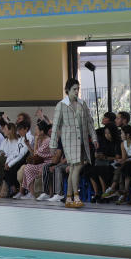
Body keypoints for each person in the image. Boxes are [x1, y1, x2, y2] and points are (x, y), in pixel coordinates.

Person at [50, 78, 98, 208]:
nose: (77, 92)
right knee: (77, 166)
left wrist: (94, 138)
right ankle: (76, 196)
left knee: (72, 169)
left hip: (82, 141)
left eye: (78, 89)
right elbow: (55, 126)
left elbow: (89, 122)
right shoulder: (61, 105)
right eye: (74, 89)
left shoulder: (82, 104)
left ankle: (69, 197)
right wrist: (53, 144)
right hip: (69, 141)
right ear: (67, 90)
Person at [19, 118, 53, 198]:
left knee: (28, 168)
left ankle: (36, 193)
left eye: (37, 130)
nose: (35, 131)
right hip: (40, 162)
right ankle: (32, 193)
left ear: (42, 131)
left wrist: (36, 140)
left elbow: (35, 154)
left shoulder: (47, 141)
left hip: (48, 162)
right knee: (27, 168)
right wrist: (28, 145)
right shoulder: (40, 140)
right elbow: (35, 155)